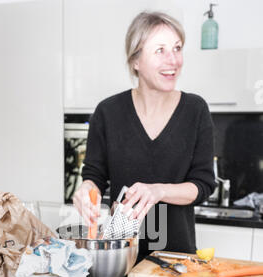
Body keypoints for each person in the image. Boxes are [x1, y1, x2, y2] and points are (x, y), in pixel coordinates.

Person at [73, 10, 215, 261]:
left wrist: (159, 191)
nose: (173, 60)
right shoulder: (108, 112)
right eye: (160, 50)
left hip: (176, 261)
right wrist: (86, 189)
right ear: (135, 61)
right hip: (120, 259)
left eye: (177, 48)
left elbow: (203, 185)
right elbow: (94, 176)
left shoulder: (196, 110)